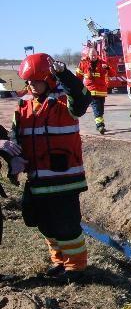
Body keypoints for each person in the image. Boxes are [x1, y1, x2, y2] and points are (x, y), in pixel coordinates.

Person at [12, 53, 92, 280]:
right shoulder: (24, 105)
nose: (30, 86)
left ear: (48, 79)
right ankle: (59, 261)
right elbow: (15, 135)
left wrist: (64, 74)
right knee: (45, 224)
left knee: (66, 226)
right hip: (38, 180)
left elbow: (82, 97)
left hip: (64, 180)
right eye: (27, 82)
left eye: (34, 81)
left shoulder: (65, 102)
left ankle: (76, 267)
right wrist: (14, 160)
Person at [75, 47, 109, 134]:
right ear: (88, 55)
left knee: (100, 109)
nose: (93, 57)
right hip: (91, 91)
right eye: (91, 55)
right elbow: (78, 76)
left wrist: (107, 68)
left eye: (94, 55)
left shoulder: (102, 63)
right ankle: (100, 126)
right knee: (96, 108)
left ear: (97, 55)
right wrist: (78, 88)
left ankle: (100, 124)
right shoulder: (83, 64)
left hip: (101, 91)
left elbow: (113, 73)